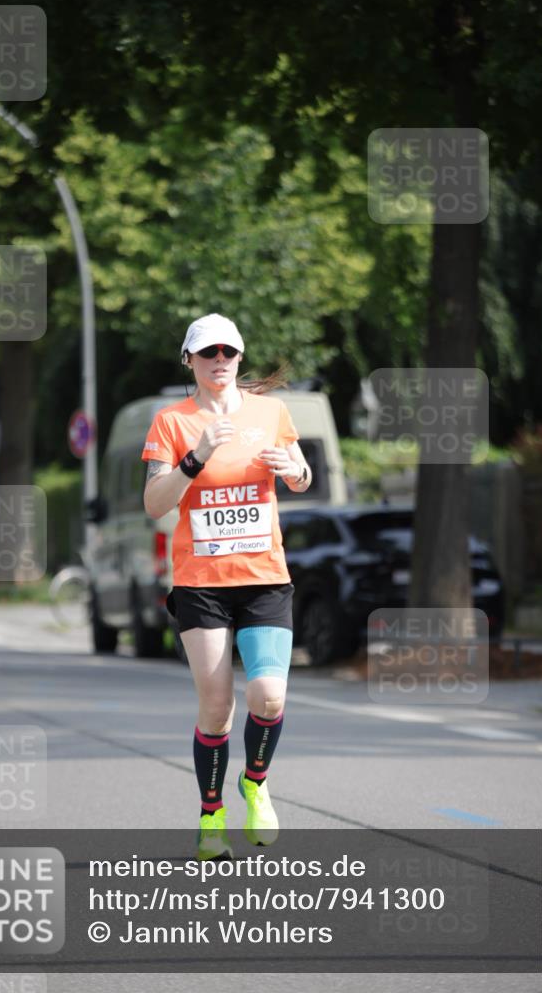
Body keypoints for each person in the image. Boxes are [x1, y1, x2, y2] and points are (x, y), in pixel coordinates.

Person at [142, 314, 311, 860]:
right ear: (189, 360)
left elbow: (302, 475)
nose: (220, 360)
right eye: (208, 352)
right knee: (216, 709)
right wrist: (197, 457)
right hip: (202, 585)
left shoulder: (272, 412)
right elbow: (155, 504)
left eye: (229, 352)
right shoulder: (171, 421)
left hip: (264, 579)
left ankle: (255, 782)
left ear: (239, 358)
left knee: (269, 695)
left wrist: (294, 469)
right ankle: (211, 812)